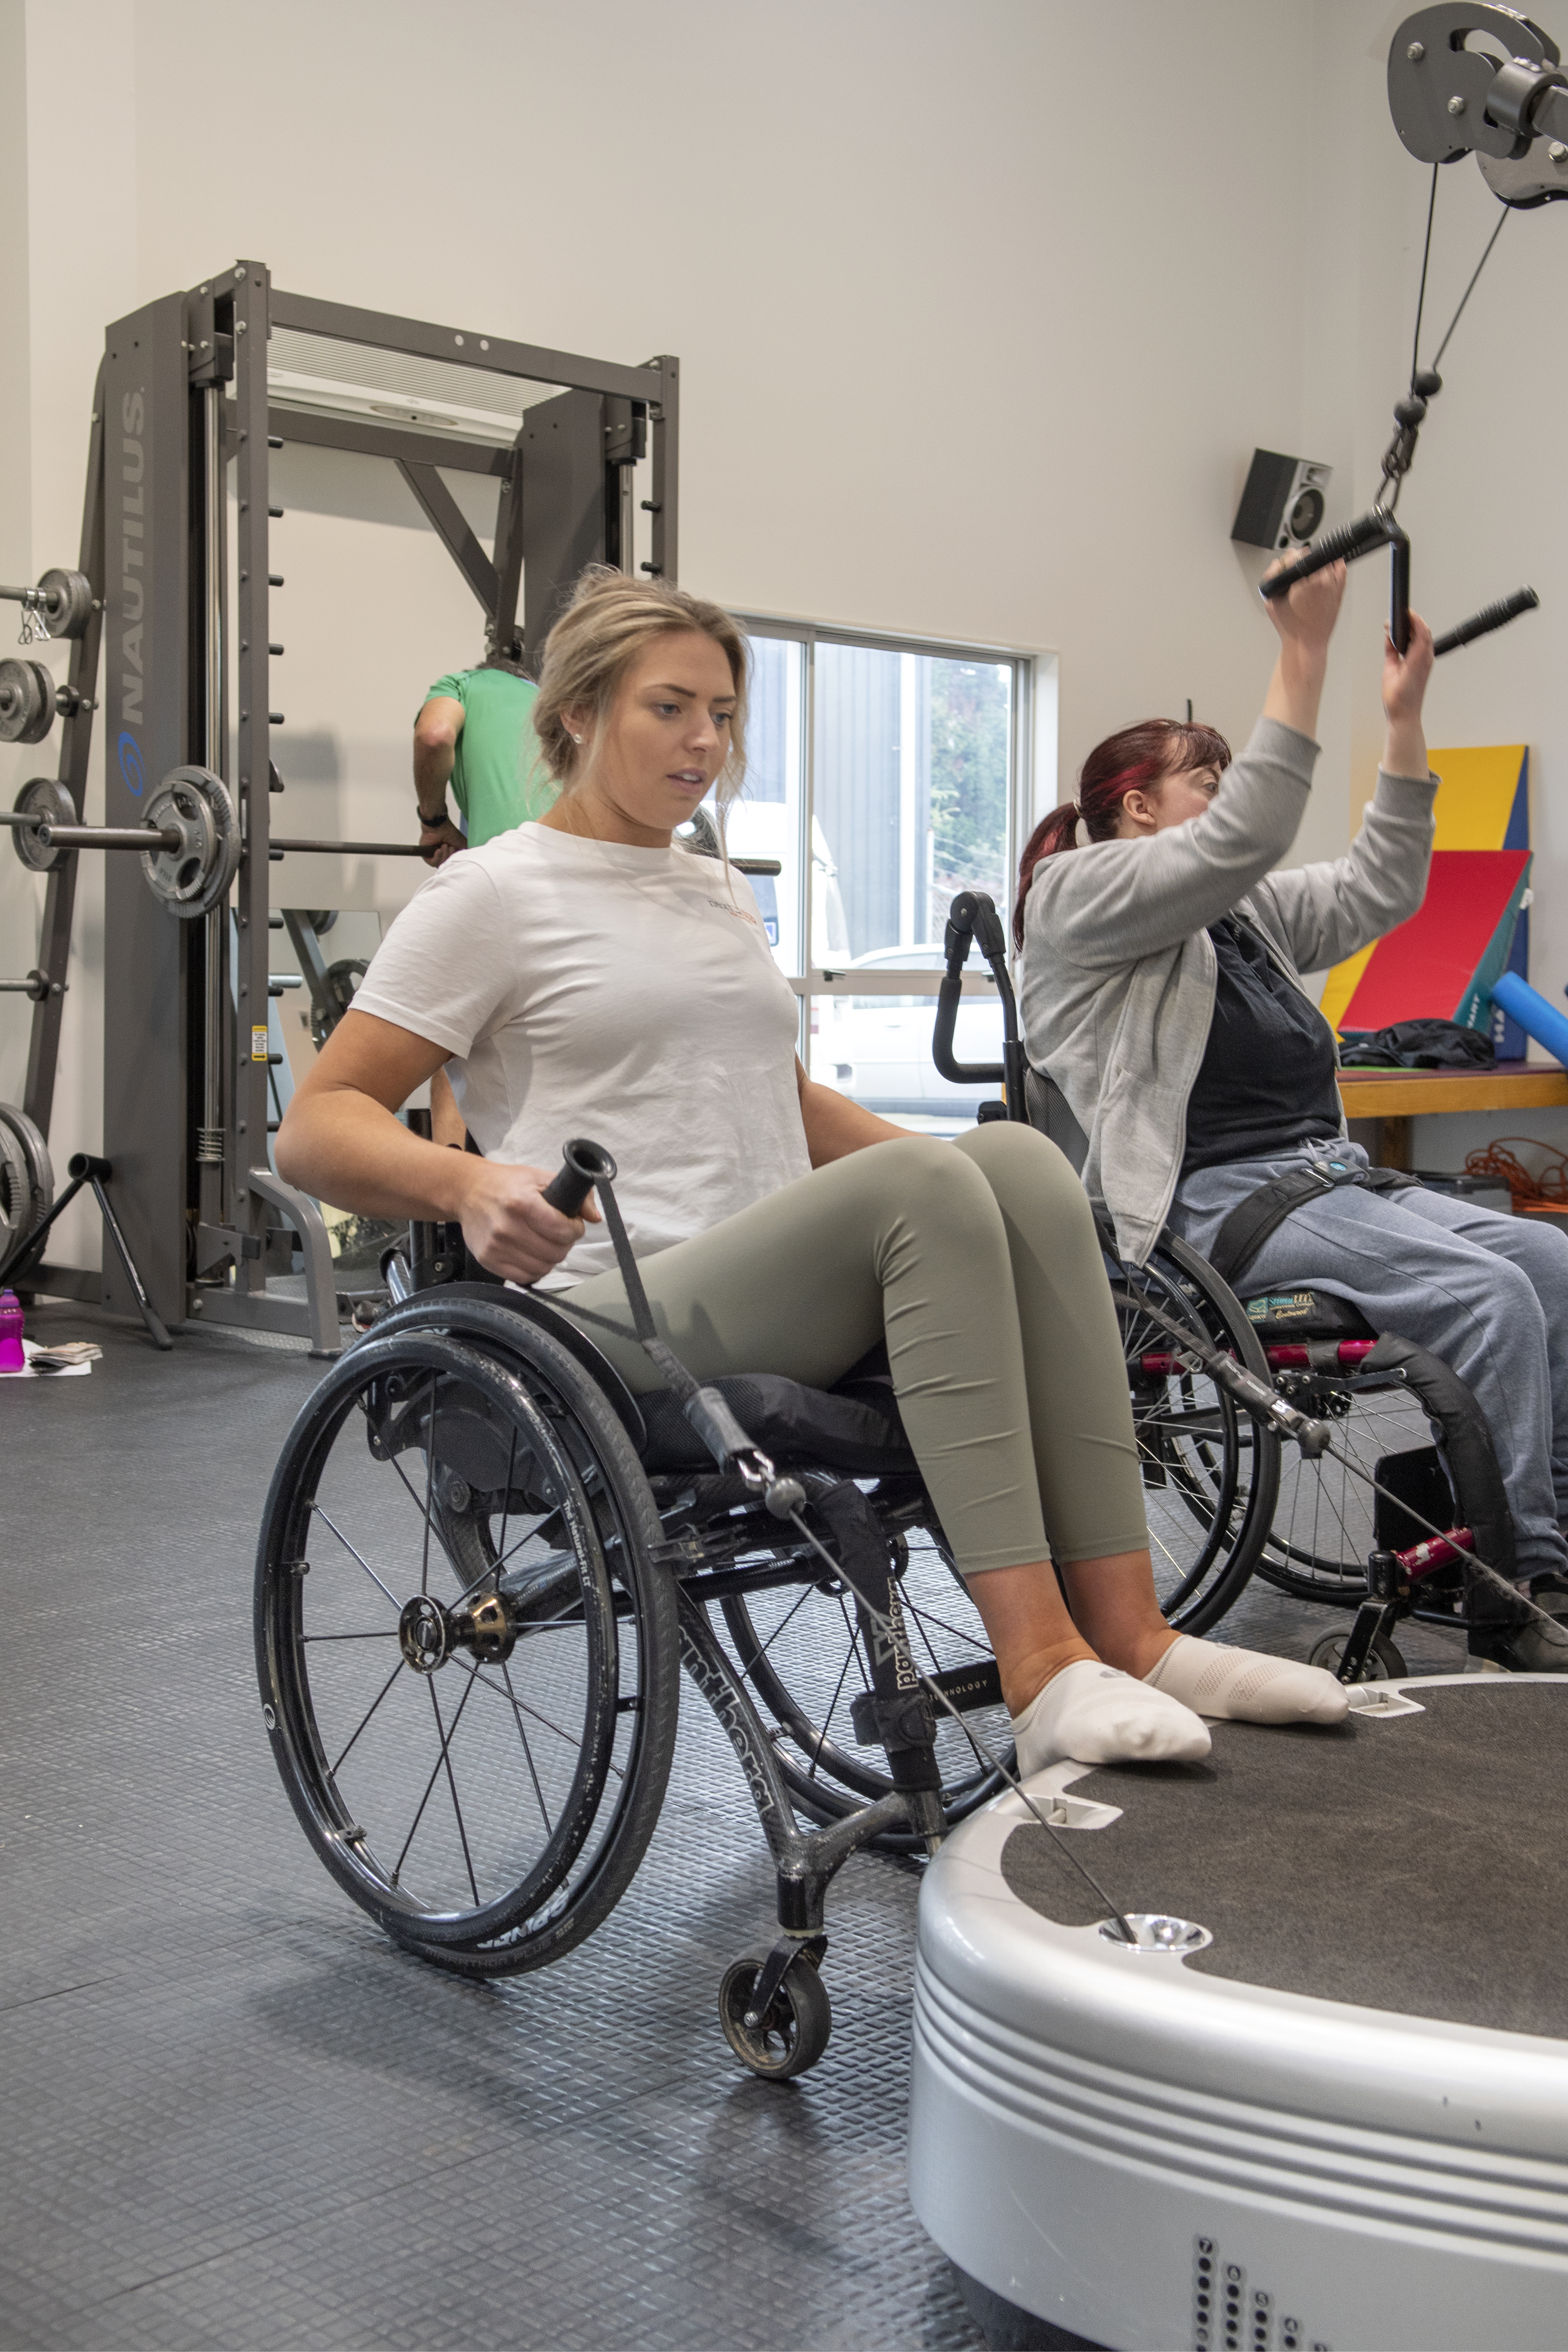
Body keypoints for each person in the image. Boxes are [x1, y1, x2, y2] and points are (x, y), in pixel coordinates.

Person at [278, 567, 1349, 1780]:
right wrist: (465, 1186)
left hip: (756, 1274)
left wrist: (995, 1185)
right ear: (576, 713)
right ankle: (1040, 1668)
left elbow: (780, 1102)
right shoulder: (492, 892)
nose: (704, 743)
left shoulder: (717, 885)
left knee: (1022, 1163)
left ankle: (1139, 1636)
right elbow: (316, 1126)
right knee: (943, 1191)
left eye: (724, 715)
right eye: (669, 708)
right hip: (611, 1308)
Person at [1016, 561, 1568, 1672]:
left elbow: (1383, 885)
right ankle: (1523, 1580)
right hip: (1209, 1211)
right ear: (1135, 808)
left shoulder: (1244, 914)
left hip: (1328, 1178)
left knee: (1551, 1259)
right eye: (1204, 782)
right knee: (1489, 1292)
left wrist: (1404, 722)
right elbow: (1244, 840)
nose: (1225, 802)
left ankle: (1522, 1533)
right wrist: (1302, 654)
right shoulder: (1077, 900)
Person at [413, 641, 558, 1141]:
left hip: (504, 885)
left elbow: (434, 737)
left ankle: (450, 1195)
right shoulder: (561, 706)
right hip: (582, 888)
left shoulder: (463, 685)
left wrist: (434, 822)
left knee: (450, 1033)